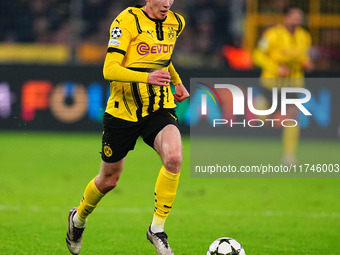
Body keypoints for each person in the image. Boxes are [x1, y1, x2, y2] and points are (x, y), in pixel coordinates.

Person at [65, 1, 189, 254]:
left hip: (158, 108)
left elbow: (162, 59)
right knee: (109, 180)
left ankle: (156, 229)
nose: (167, 3)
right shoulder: (126, 20)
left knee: (174, 157)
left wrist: (176, 81)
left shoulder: (177, 22)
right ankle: (78, 219)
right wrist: (147, 77)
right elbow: (109, 69)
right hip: (123, 112)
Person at [253, 5, 313, 165]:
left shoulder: (304, 36)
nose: (297, 20)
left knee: (292, 119)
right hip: (271, 83)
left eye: (299, 17)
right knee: (262, 118)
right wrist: (275, 67)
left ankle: (289, 156)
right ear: (285, 17)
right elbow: (257, 55)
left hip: (293, 84)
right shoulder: (272, 35)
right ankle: (270, 115)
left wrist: (305, 62)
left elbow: (302, 56)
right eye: (294, 16)